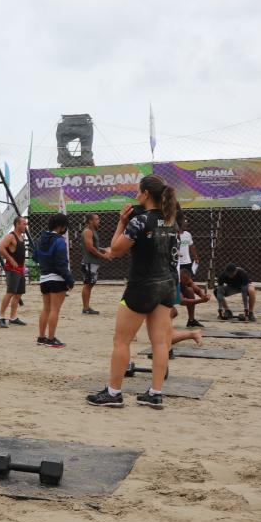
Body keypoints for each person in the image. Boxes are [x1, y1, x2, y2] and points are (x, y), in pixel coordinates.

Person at [86, 175, 179, 410]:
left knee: (121, 340)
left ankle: (114, 392)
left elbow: (115, 250)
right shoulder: (172, 222)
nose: (136, 195)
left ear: (146, 193)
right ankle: (155, 393)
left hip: (142, 285)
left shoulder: (140, 221)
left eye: (139, 191)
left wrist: (121, 222)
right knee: (160, 342)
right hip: (166, 286)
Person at [34, 213, 74, 348]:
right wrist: (70, 280)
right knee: (54, 310)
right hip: (57, 279)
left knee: (46, 309)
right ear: (61, 227)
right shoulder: (59, 241)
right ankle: (51, 339)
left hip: (44, 278)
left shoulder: (41, 239)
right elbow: (61, 264)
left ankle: (41, 337)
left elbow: (35, 257)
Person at [0, 216, 28, 327]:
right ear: (17, 224)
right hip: (12, 269)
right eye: (24, 224)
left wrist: (23, 267)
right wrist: (10, 259)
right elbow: (0, 248)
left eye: (26, 224)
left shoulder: (21, 237)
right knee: (10, 293)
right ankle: (1, 317)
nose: (25, 226)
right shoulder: (11, 236)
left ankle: (13, 317)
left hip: (20, 270)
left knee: (18, 294)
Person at [176, 216, 205, 327]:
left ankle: (191, 320)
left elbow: (192, 246)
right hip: (176, 265)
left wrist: (203, 295)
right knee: (173, 310)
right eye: (184, 221)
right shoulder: (171, 235)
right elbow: (182, 301)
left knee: (189, 289)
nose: (186, 223)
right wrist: (201, 300)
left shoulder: (187, 235)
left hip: (186, 263)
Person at [80, 213, 110, 315]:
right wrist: (103, 256)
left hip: (92, 263)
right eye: (97, 219)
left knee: (89, 285)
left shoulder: (92, 231)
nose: (99, 221)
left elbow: (94, 246)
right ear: (90, 221)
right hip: (89, 262)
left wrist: (103, 249)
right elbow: (90, 248)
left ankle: (86, 307)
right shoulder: (88, 231)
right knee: (87, 285)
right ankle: (85, 308)